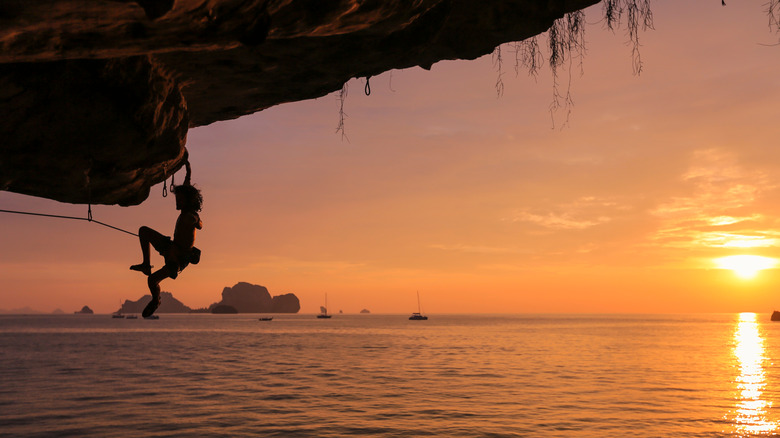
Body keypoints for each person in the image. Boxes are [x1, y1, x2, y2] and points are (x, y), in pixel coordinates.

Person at [130, 161, 203, 317]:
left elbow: (200, 225)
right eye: (177, 198)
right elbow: (187, 186)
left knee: (152, 281)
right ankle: (146, 264)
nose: (177, 201)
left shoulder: (190, 216)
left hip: (178, 258)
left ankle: (156, 301)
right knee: (143, 231)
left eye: (180, 199)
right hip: (171, 246)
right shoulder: (186, 211)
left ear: (188, 201)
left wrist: (196, 220)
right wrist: (187, 167)